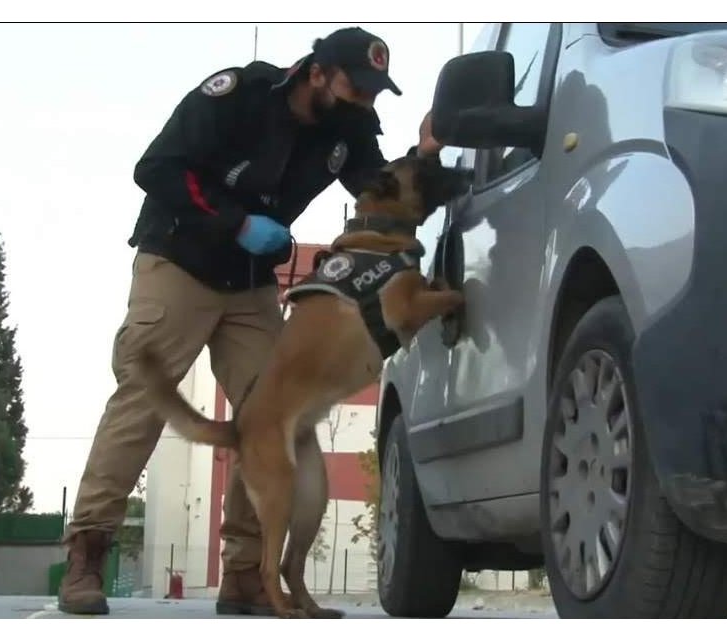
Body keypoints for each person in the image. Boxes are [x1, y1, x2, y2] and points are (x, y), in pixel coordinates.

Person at [58, 26, 444, 616]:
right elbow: (157, 168)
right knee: (141, 400)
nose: (362, 103)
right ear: (318, 73)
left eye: (372, 92)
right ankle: (86, 554)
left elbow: (379, 189)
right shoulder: (240, 94)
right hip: (180, 260)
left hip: (250, 283)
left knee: (272, 419)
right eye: (354, 87)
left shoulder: (350, 126)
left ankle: (244, 574)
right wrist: (234, 221)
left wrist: (424, 154)